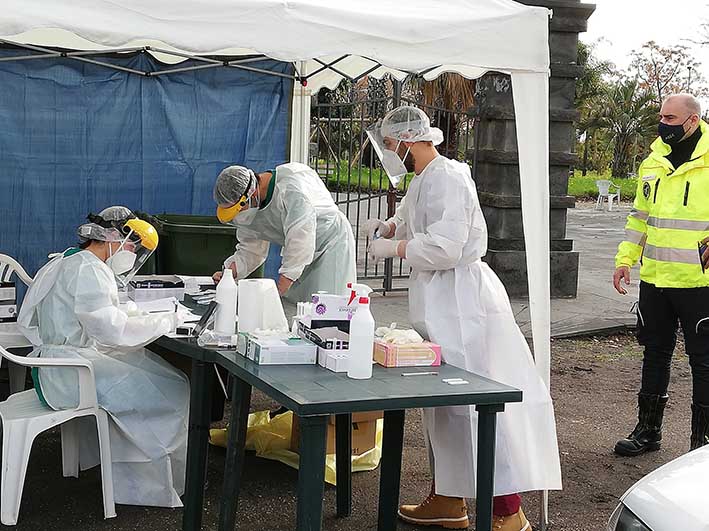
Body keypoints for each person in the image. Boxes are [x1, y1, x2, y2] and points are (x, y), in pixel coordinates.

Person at [366, 106, 561, 530]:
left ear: (409, 139)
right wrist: (390, 227)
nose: (387, 151)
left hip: (462, 302)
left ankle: (508, 512)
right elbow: (413, 217)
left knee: (475, 405)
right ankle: (449, 498)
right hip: (440, 301)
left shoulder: (449, 177)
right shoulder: (424, 177)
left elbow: (446, 246)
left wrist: (396, 250)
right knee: (445, 407)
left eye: (390, 143)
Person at [18, 206, 190, 508]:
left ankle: (134, 476)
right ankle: (145, 487)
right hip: (72, 374)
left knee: (159, 375)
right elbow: (111, 331)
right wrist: (166, 321)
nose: (134, 255)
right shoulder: (91, 270)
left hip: (61, 364)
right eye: (134, 246)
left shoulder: (70, 258)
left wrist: (138, 315)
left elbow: (91, 315)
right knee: (173, 389)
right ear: (113, 237)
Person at [613, 93, 709, 455]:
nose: (663, 124)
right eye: (661, 117)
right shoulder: (654, 161)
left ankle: (702, 447)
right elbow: (640, 216)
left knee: (704, 361)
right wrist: (625, 259)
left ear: (692, 121)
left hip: (700, 284)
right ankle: (648, 431)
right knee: (655, 353)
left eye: (670, 118)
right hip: (655, 279)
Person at [212, 162, 356, 302]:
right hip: (302, 256)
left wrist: (278, 290)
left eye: (238, 210)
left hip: (331, 244)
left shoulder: (291, 188)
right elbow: (251, 249)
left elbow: (301, 237)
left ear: (251, 193)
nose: (238, 217)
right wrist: (229, 274)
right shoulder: (252, 206)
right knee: (301, 310)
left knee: (328, 309)